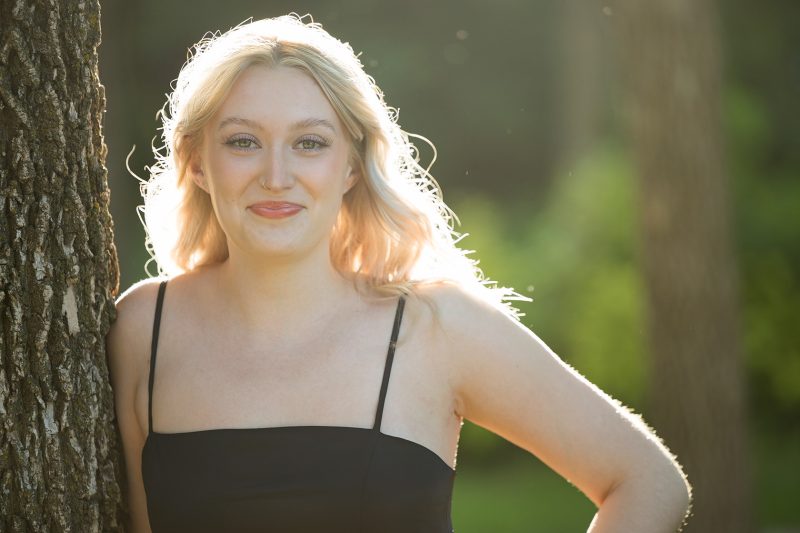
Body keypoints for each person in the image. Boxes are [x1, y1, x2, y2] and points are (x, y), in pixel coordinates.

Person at [106, 14, 692, 533]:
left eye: (310, 142)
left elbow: (646, 481)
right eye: (243, 142)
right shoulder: (144, 329)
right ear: (197, 163)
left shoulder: (434, 327)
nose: (277, 175)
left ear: (352, 168)